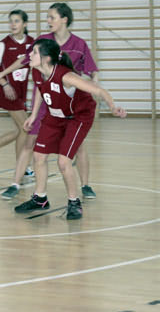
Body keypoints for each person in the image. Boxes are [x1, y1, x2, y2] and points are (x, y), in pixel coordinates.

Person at [0, 3, 99, 199]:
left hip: (68, 106)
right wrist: (3, 73)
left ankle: (85, 185)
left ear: (64, 19)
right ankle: (15, 183)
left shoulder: (79, 44)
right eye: (47, 17)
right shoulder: (42, 41)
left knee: (78, 146)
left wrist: (93, 90)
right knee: (29, 141)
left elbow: (92, 72)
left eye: (52, 17)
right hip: (44, 101)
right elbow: (23, 60)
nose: (48, 21)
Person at [14, 38, 125, 219]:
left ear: (46, 58)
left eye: (34, 52)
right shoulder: (37, 71)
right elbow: (41, 91)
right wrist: (33, 116)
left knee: (63, 162)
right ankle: (40, 198)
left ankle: (74, 202)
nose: (30, 55)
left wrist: (113, 107)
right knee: (38, 156)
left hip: (78, 118)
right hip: (55, 116)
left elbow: (98, 90)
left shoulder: (66, 76)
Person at [0, 10, 34, 172]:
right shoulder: (4, 44)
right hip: (8, 92)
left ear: (25, 24)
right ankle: (22, 167)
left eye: (17, 21)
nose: (13, 24)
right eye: (11, 21)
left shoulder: (32, 43)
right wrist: (4, 84)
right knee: (26, 128)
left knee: (20, 130)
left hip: (21, 92)